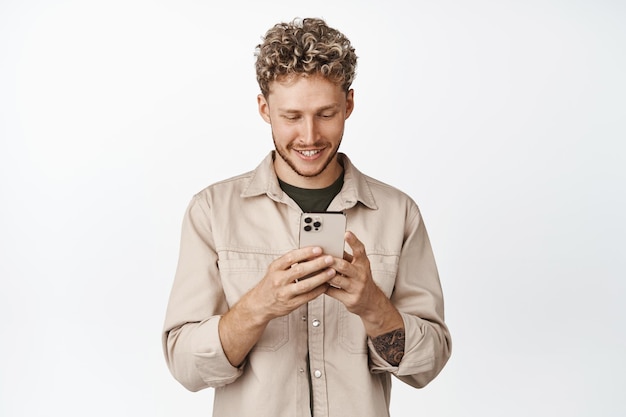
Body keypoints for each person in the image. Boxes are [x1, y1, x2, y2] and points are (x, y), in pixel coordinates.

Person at [162, 17, 451, 417]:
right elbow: (185, 365)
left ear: (349, 104)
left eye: (326, 113)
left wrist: (372, 306)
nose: (310, 136)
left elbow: (429, 364)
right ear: (264, 108)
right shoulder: (211, 211)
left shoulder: (398, 213)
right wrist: (259, 304)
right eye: (292, 116)